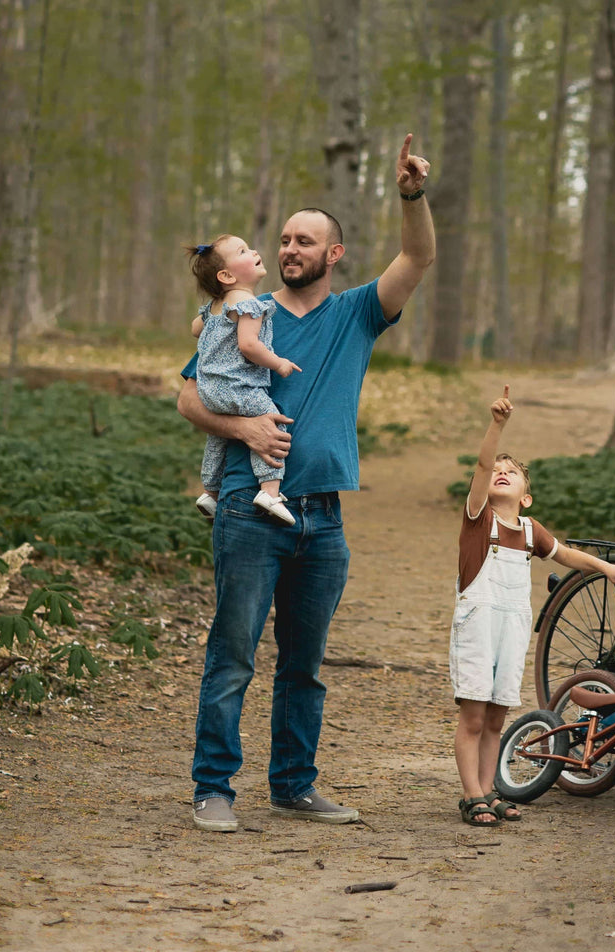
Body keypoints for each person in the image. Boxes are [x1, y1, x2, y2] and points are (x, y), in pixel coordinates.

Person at [176, 134, 434, 832]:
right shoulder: (241, 316)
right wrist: (244, 432)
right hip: (248, 511)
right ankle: (213, 789)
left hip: (322, 518)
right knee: (232, 656)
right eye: (283, 239)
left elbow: (417, 258)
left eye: (305, 240)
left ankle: (293, 785)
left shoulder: (355, 314)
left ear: (333, 254)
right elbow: (189, 399)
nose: (289, 249)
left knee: (305, 666)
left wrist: (411, 194)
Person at [451, 385, 615, 827]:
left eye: (511, 472)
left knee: (497, 716)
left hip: (512, 625)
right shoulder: (480, 517)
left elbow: (567, 554)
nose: (500, 472)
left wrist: (605, 568)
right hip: (478, 622)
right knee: (474, 715)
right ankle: (471, 795)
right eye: (496, 469)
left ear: (526, 496)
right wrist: (497, 425)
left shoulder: (530, 530)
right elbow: (480, 465)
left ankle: (491, 788)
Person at [185, 235, 302, 527]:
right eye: (243, 251)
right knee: (269, 420)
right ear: (226, 275)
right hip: (239, 387)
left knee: (219, 437)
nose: (254, 251)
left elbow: (194, 328)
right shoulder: (247, 303)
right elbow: (249, 346)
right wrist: (279, 363)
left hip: (209, 389)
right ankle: (269, 491)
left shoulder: (217, 304)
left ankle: (210, 492)